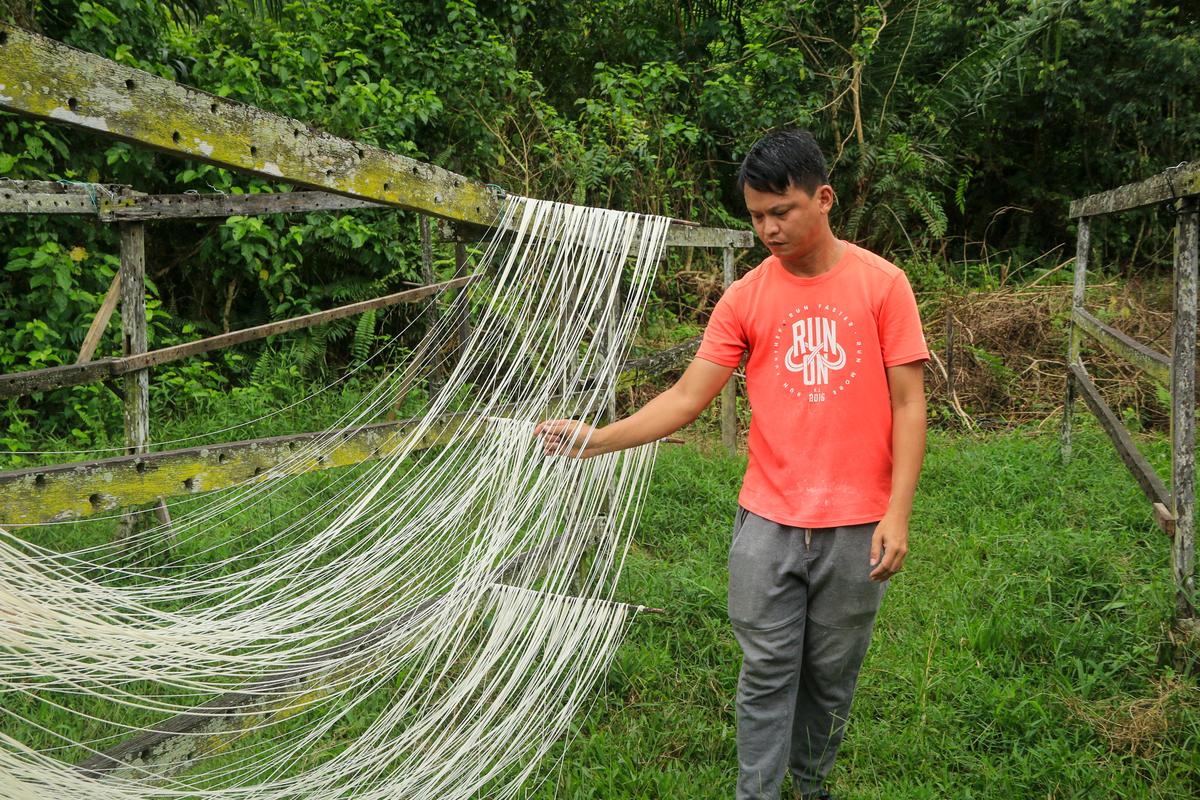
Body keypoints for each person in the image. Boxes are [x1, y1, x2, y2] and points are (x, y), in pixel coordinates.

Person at [535, 129, 928, 800]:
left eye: (782, 211)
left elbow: (910, 402)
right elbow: (688, 396)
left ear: (823, 198)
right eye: (755, 216)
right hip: (767, 521)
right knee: (767, 668)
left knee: (832, 672)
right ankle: (758, 793)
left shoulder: (882, 285)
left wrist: (897, 511)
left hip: (858, 522)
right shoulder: (746, 296)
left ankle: (812, 783)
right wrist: (600, 438)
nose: (768, 229)